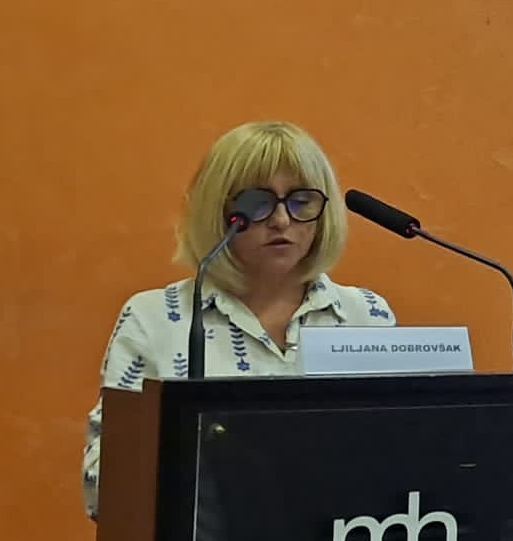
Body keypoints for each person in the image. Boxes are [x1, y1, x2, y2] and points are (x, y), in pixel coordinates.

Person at [81, 121, 395, 519]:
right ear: (219, 210)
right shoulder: (155, 319)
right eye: (257, 202)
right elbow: (102, 487)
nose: (281, 220)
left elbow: (399, 454)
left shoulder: (366, 314)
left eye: (301, 201)